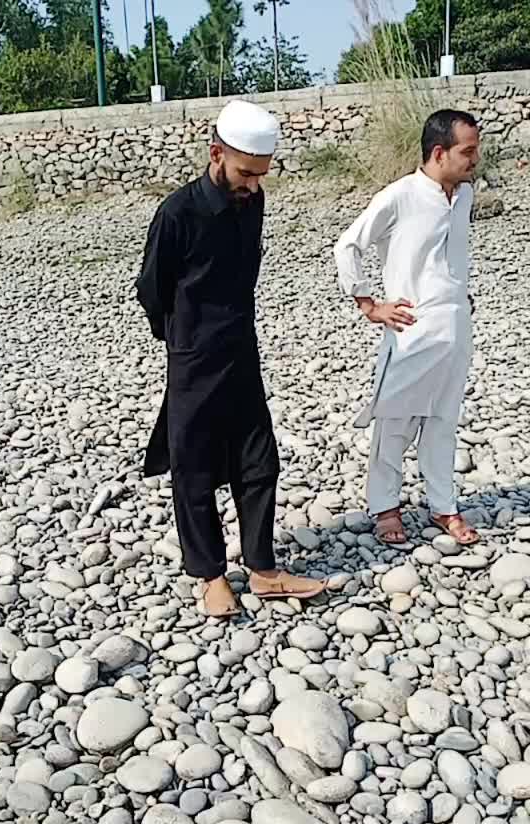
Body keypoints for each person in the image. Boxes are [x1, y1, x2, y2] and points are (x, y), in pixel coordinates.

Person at [136, 99, 326, 616]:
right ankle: (211, 575)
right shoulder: (177, 213)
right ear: (216, 154)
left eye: (262, 174)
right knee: (193, 467)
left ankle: (263, 569)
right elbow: (152, 288)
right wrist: (181, 337)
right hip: (193, 356)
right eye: (246, 173)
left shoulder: (252, 201)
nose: (254, 184)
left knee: (259, 461)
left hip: (242, 348)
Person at [334, 108, 481, 546]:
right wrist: (368, 304)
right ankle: (385, 507)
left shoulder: (465, 195)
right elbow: (348, 245)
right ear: (439, 153)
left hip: (456, 325)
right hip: (411, 327)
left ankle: (443, 505)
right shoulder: (400, 196)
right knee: (394, 420)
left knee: (444, 420)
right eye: (467, 151)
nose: (475, 159)